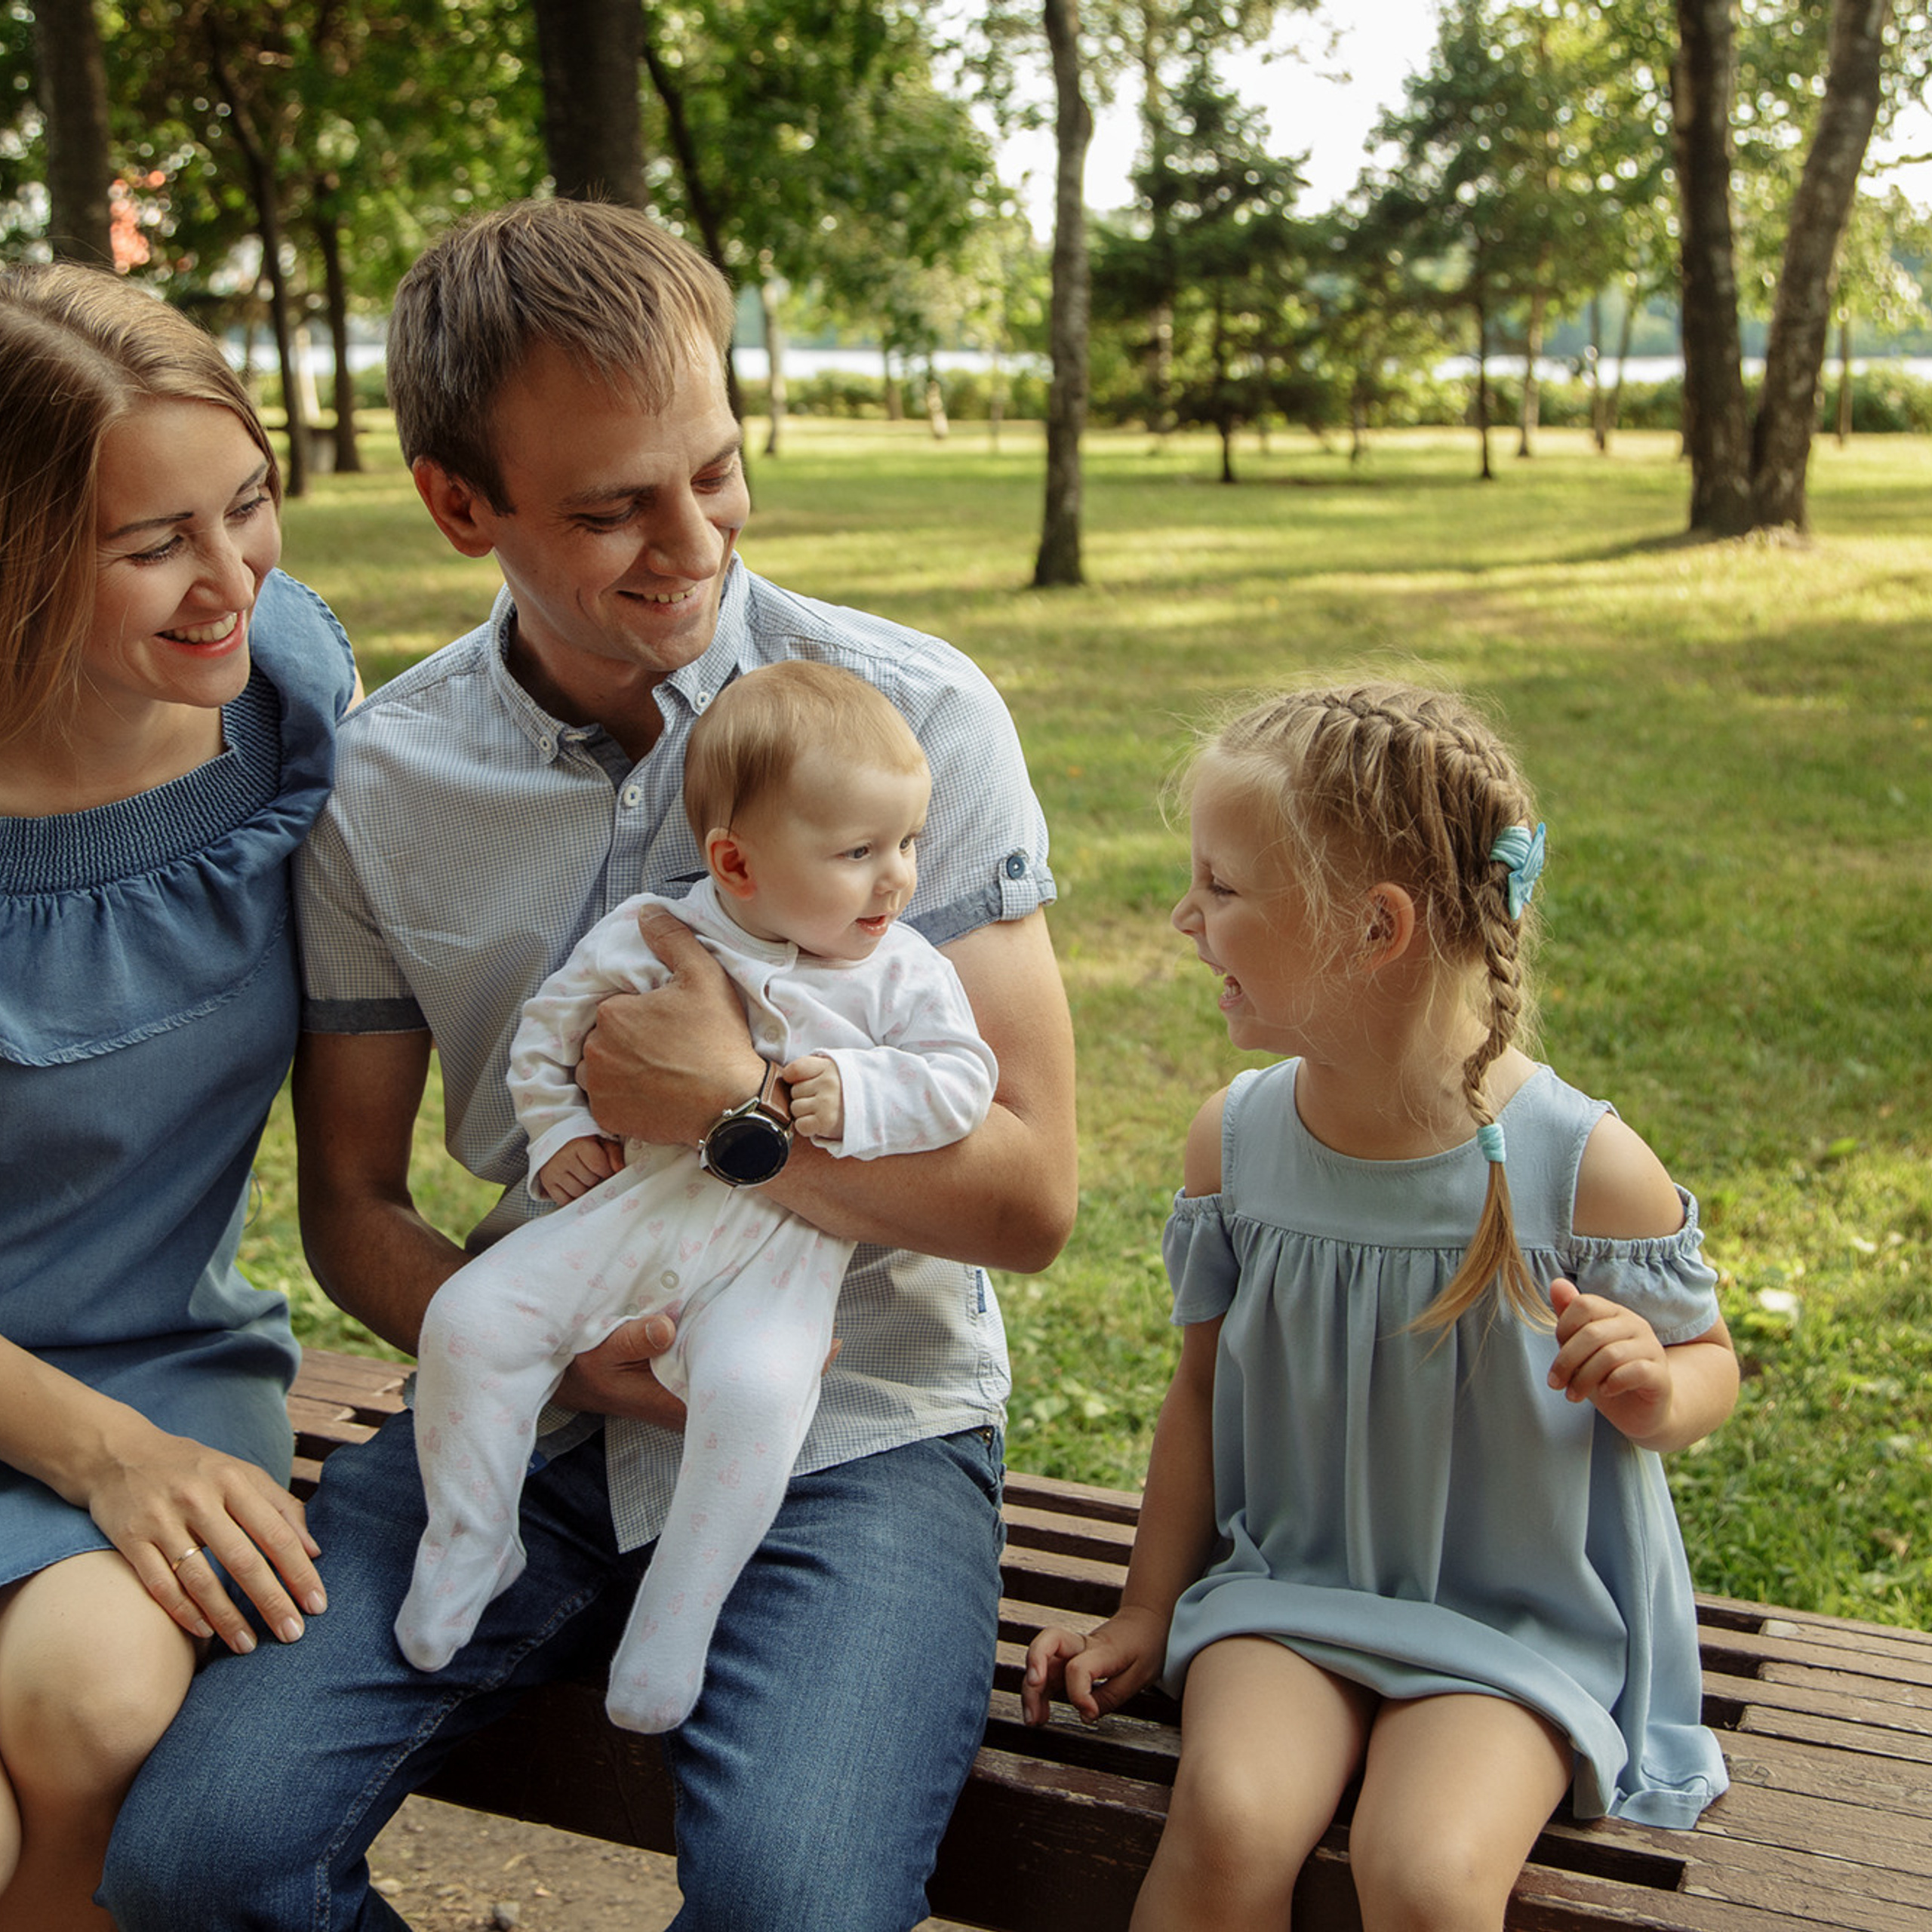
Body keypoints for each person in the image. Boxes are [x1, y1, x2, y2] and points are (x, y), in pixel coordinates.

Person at [103, 198, 1077, 1932]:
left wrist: (731, 1114)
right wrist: (554, 1344)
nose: (688, 542)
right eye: (613, 505)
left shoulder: (917, 721)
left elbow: (1030, 1198)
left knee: (790, 1905)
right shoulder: (382, 779)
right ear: (455, 502)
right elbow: (352, 1204)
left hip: (849, 1416)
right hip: (526, 1406)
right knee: (197, 1854)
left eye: (714, 470)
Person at [1022, 681, 1737, 1930]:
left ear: (1374, 928)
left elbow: (1709, 1365)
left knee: (1425, 1872)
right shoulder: (1235, 1146)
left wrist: (1655, 1387)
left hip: (1513, 1625)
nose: (1185, 917)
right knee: (1231, 1818)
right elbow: (1201, 1392)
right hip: (1289, 1593)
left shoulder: (1581, 1166)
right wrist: (1146, 1608)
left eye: (1222, 887)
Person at [396, 660, 998, 1734]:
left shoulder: (904, 972)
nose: (897, 880)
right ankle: (474, 1538)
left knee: (758, 1395)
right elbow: (550, 1032)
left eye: (907, 843)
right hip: (634, 1211)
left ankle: (680, 1611)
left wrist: (862, 1094)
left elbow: (962, 1083)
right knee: (472, 1320)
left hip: (783, 1252)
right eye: (859, 853)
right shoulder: (650, 933)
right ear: (735, 861)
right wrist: (560, 1131)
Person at [0, 264, 357, 1927]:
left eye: (250, 505)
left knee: (95, 1701)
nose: (231, 580)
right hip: (85, 1423)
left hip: (163, 1361)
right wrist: (104, 1459)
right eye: (155, 544)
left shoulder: (289, 694)